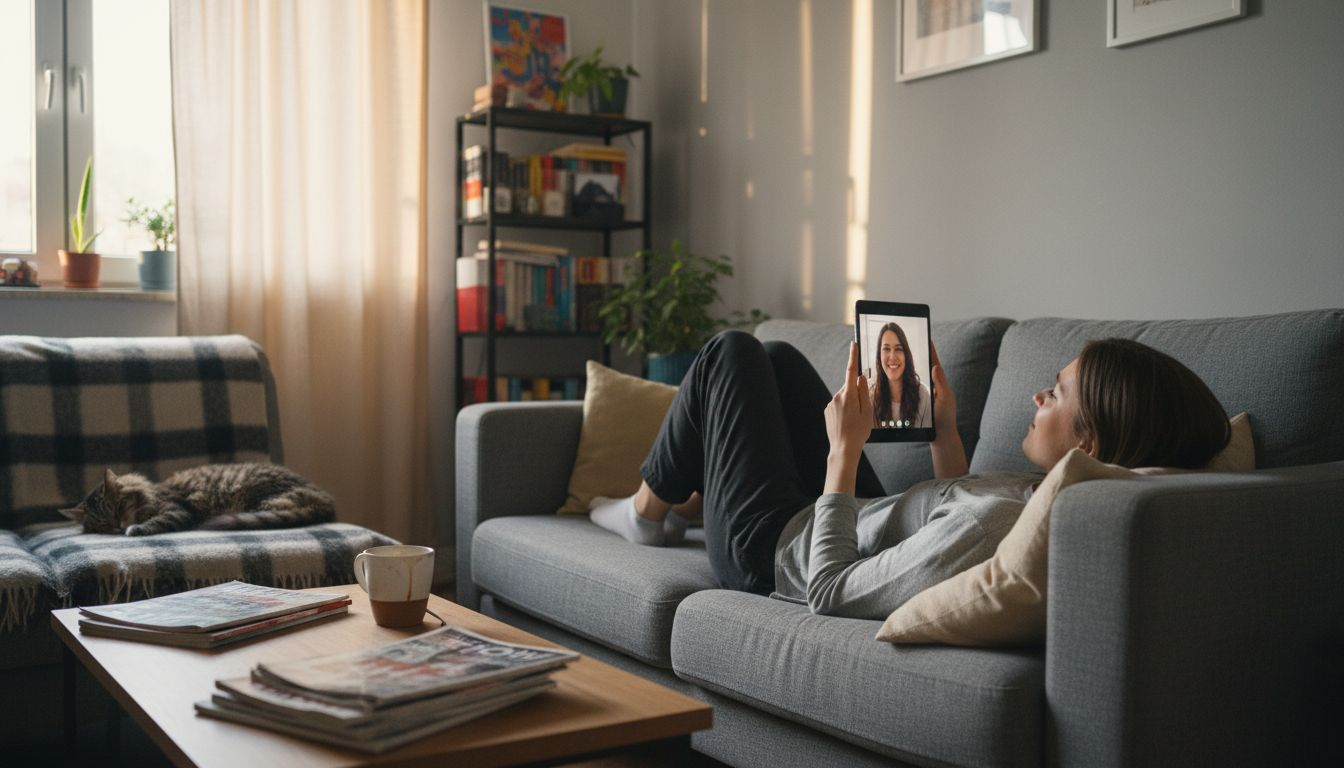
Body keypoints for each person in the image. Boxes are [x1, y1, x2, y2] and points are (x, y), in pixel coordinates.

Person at [589, 330, 1230, 619]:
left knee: (729, 352)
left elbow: (830, 591)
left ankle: (647, 512)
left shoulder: (1002, 522)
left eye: (1055, 394)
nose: (1038, 398)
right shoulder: (1048, 497)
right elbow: (949, 510)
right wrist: (946, 432)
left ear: (1090, 437)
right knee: (777, 358)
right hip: (858, 514)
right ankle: (687, 498)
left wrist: (842, 456)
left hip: (774, 551)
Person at [868, 321, 932, 429]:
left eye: (898, 349)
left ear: (906, 355)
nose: (892, 356)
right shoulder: (870, 396)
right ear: (879, 356)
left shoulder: (924, 395)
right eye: (886, 349)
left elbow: (925, 443)